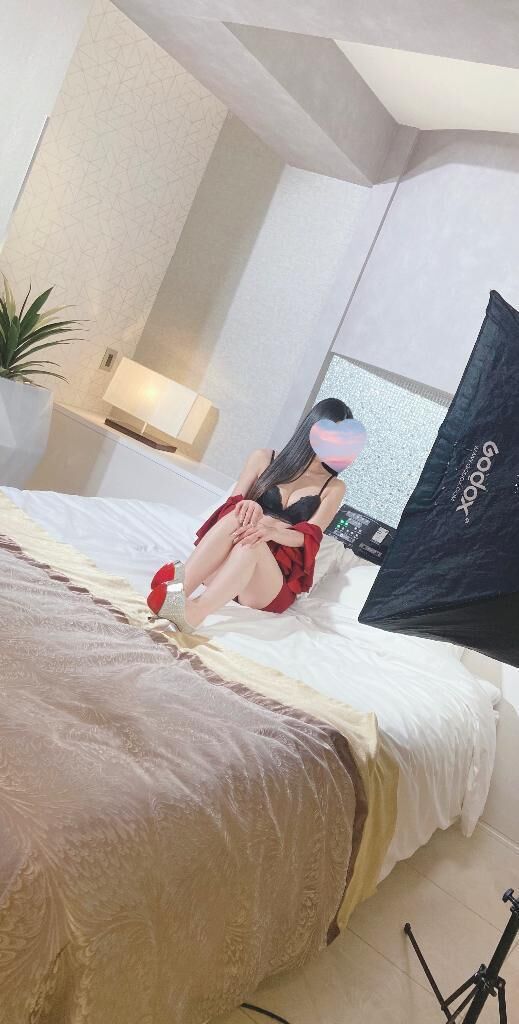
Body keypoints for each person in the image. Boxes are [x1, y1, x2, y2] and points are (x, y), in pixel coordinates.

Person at [147, 398, 351, 633]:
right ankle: (178, 592)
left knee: (253, 543)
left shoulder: (334, 487)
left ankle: (194, 613)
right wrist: (247, 505)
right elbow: (229, 508)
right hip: (226, 567)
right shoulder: (263, 458)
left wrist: (271, 531)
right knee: (236, 519)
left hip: (268, 583)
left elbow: (309, 538)